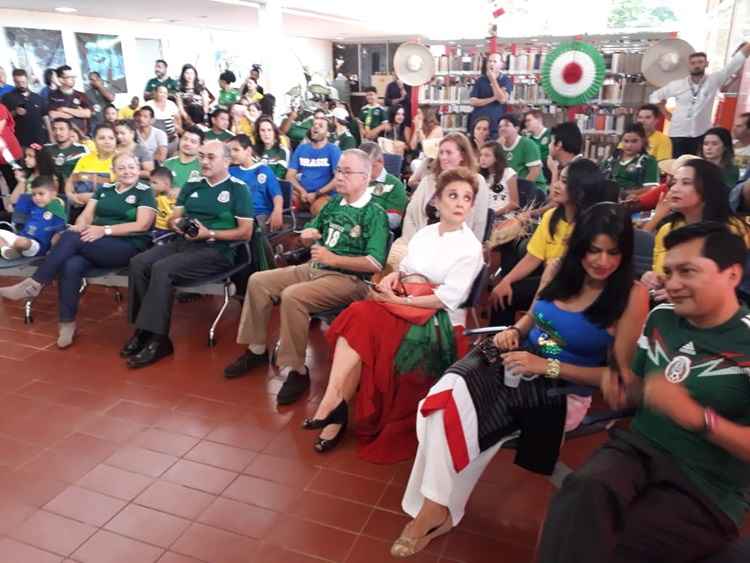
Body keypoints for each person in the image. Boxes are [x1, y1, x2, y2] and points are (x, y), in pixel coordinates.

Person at [393, 203, 648, 558]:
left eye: (613, 252)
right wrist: (514, 330)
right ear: (579, 247)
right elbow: (533, 315)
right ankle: (440, 507)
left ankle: (433, 510)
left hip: (559, 388)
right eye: (594, 250)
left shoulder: (630, 296)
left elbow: (617, 377)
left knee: (463, 417)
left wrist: (546, 366)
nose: (603, 261)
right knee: (441, 401)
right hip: (514, 361)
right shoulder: (560, 269)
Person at [538, 221, 750, 563]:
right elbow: (636, 389)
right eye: (668, 271)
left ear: (732, 275)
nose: (673, 284)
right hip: (638, 448)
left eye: (688, 271)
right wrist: (624, 389)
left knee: (623, 544)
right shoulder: (662, 317)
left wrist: (698, 418)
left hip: (705, 485)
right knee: (580, 494)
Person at [308, 167, 484, 459]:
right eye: (452, 195)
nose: (459, 203)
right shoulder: (426, 234)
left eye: (466, 198)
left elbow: (444, 300)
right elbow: (405, 270)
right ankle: (333, 405)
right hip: (405, 302)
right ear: (437, 200)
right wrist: (392, 279)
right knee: (357, 317)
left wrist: (400, 301)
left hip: (438, 322)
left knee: (360, 318)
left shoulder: (470, 248)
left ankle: (333, 409)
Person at [224, 149, 389, 406]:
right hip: (316, 267)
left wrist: (332, 259)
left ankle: (298, 371)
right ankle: (256, 350)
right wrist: (307, 234)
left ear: (365, 177)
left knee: (293, 297)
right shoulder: (334, 203)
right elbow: (310, 234)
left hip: (349, 280)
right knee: (258, 281)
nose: (340, 177)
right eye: (338, 171)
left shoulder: (374, 213)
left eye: (346, 172)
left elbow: (375, 262)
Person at [0, 152, 156, 348]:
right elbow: (85, 216)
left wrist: (104, 230)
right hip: (95, 242)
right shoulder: (105, 189)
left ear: (138, 167)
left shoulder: (144, 190)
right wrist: (81, 225)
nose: (127, 171)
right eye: (121, 168)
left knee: (71, 239)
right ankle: (67, 323)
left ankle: (34, 284)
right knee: (71, 264)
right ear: (113, 171)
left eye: (131, 167)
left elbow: (142, 225)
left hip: (129, 246)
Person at [121, 140, 254, 369]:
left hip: (218, 249)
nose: (204, 161)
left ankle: (159, 339)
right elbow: (174, 216)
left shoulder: (237, 189)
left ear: (226, 160)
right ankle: (143, 331)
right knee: (138, 262)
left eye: (211, 157)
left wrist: (208, 233)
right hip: (185, 241)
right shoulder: (193, 184)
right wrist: (178, 224)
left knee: (162, 269)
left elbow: (246, 232)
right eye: (201, 156)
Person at [489, 159, 611, 327]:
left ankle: (530, 339)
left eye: (565, 182)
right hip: (548, 280)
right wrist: (506, 281)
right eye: (559, 179)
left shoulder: (593, 225)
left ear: (582, 189)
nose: (557, 185)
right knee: (502, 295)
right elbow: (533, 257)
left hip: (578, 287)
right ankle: (496, 345)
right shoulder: (551, 216)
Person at [641, 159, 750, 302]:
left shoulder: (734, 231)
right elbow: (662, 274)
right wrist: (651, 278)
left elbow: (734, 285)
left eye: (685, 183)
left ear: (707, 190)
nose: (674, 189)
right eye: (674, 183)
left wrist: (684, 294)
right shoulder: (667, 230)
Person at [649, 43, 750, 158]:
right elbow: (654, 96)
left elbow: (734, 64)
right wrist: (666, 113)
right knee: (677, 166)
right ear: (689, 65)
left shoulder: (714, 80)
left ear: (706, 64)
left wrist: (747, 46)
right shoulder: (677, 85)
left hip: (701, 133)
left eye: (700, 62)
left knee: (699, 166)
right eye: (693, 63)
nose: (696, 65)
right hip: (678, 133)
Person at [401, 133, 490, 247]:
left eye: (448, 153)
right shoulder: (428, 181)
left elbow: (479, 223)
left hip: (457, 248)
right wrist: (414, 245)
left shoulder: (477, 181)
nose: (443, 157)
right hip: (420, 244)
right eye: (441, 152)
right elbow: (411, 216)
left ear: (462, 155)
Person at [0, 175, 66, 260]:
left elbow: (58, 234)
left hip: (36, 245)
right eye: (34, 194)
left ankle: (10, 249)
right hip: (19, 237)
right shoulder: (32, 205)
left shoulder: (56, 208)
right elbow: (14, 202)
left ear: (53, 194)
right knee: (17, 239)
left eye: (41, 194)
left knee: (22, 242)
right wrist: (22, 182)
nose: (37, 197)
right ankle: (7, 250)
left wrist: (52, 251)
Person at [287, 116, 341, 215]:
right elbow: (290, 176)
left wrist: (317, 193)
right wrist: (302, 191)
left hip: (324, 195)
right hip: (302, 193)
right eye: (314, 125)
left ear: (328, 133)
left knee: (318, 209)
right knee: (286, 201)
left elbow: (338, 178)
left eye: (320, 126)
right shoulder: (301, 148)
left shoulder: (333, 150)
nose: (315, 127)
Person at [228, 134, 283, 231]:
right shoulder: (230, 171)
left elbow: (277, 194)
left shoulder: (263, 170)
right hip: (235, 216)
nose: (232, 154)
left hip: (259, 217)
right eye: (230, 151)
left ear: (248, 151)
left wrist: (277, 211)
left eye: (236, 150)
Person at [65, 123, 117, 223]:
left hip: (105, 210)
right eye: (102, 138)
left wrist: (89, 198)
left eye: (111, 138)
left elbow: (118, 191)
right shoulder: (85, 159)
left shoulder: (120, 160)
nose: (107, 141)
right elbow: (71, 180)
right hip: (78, 205)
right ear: (94, 141)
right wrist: (71, 195)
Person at [359, 141, 408, 230]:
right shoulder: (355, 178)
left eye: (368, 166)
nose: (364, 171)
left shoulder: (394, 185)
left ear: (380, 161)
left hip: (374, 231)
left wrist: (363, 218)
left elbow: (395, 221)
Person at [601, 123, 659, 197]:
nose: (629, 145)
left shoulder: (649, 161)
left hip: (633, 202)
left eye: (634, 141)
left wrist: (627, 194)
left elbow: (652, 188)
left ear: (643, 141)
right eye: (626, 141)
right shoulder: (613, 158)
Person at [468, 53, 513, 139]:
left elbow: (502, 100)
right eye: (490, 61)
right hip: (478, 122)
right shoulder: (480, 80)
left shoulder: (505, 80)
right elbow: (473, 101)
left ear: (501, 64)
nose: (491, 64)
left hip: (495, 124)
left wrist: (493, 80)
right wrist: (494, 98)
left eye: (495, 62)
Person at [498, 113, 546, 190]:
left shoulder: (527, 143)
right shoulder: (498, 146)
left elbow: (535, 171)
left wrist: (522, 189)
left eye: (507, 125)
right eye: (500, 126)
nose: (502, 128)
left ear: (516, 128)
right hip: (510, 188)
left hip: (532, 187)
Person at [1, 68, 47, 147]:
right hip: (20, 141)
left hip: (39, 140)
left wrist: (51, 136)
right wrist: (15, 112)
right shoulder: (7, 98)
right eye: (18, 82)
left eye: (23, 82)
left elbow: (45, 117)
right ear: (14, 81)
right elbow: (3, 119)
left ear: (27, 80)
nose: (21, 85)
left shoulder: (37, 98)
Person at [41, 118, 88, 189]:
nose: (57, 132)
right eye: (54, 129)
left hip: (74, 190)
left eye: (61, 129)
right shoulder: (46, 149)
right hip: (49, 191)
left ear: (70, 132)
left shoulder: (81, 150)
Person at [47, 65, 93, 136]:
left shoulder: (81, 95)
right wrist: (78, 113)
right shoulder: (53, 95)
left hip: (81, 136)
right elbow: (52, 114)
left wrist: (65, 109)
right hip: (62, 135)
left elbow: (87, 113)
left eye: (73, 77)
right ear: (60, 79)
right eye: (69, 77)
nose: (73, 79)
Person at [479, 141, 518, 217]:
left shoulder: (508, 172)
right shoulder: (480, 177)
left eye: (487, 155)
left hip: (504, 217)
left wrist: (493, 215)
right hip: (484, 216)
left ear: (496, 158)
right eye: (481, 155)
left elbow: (514, 204)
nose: (482, 158)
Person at [546, 121, 584, 186]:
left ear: (559, 145)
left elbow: (555, 195)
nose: (548, 145)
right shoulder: (578, 165)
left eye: (551, 142)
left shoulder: (573, 171)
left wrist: (554, 172)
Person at [148, 166, 179, 238]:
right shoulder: (155, 196)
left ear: (166, 184)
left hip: (171, 231)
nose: (151, 185)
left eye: (154, 182)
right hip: (156, 229)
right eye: (150, 182)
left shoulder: (177, 196)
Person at [523, 110, 551, 180]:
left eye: (529, 120)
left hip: (547, 174)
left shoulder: (550, 134)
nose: (526, 124)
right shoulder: (527, 139)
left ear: (539, 120)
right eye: (525, 121)